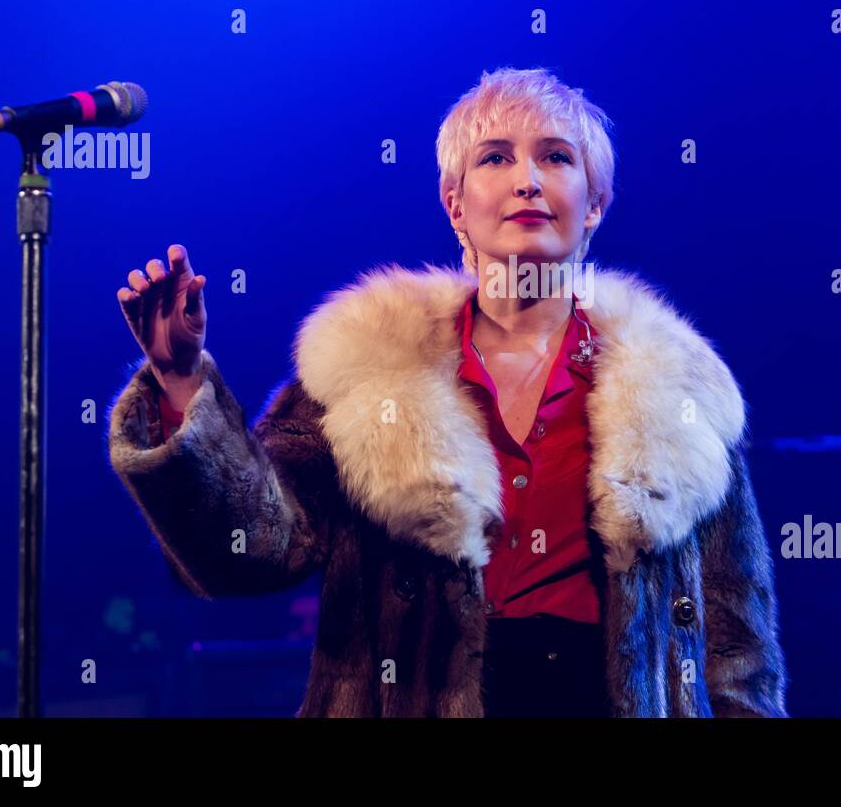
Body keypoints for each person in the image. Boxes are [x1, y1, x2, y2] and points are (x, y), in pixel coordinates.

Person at [107, 66, 787, 717]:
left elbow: (736, 656)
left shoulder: (676, 393)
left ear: (595, 205)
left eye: (555, 157)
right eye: (495, 158)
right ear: (455, 203)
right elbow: (253, 549)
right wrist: (179, 381)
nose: (526, 180)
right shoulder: (369, 366)